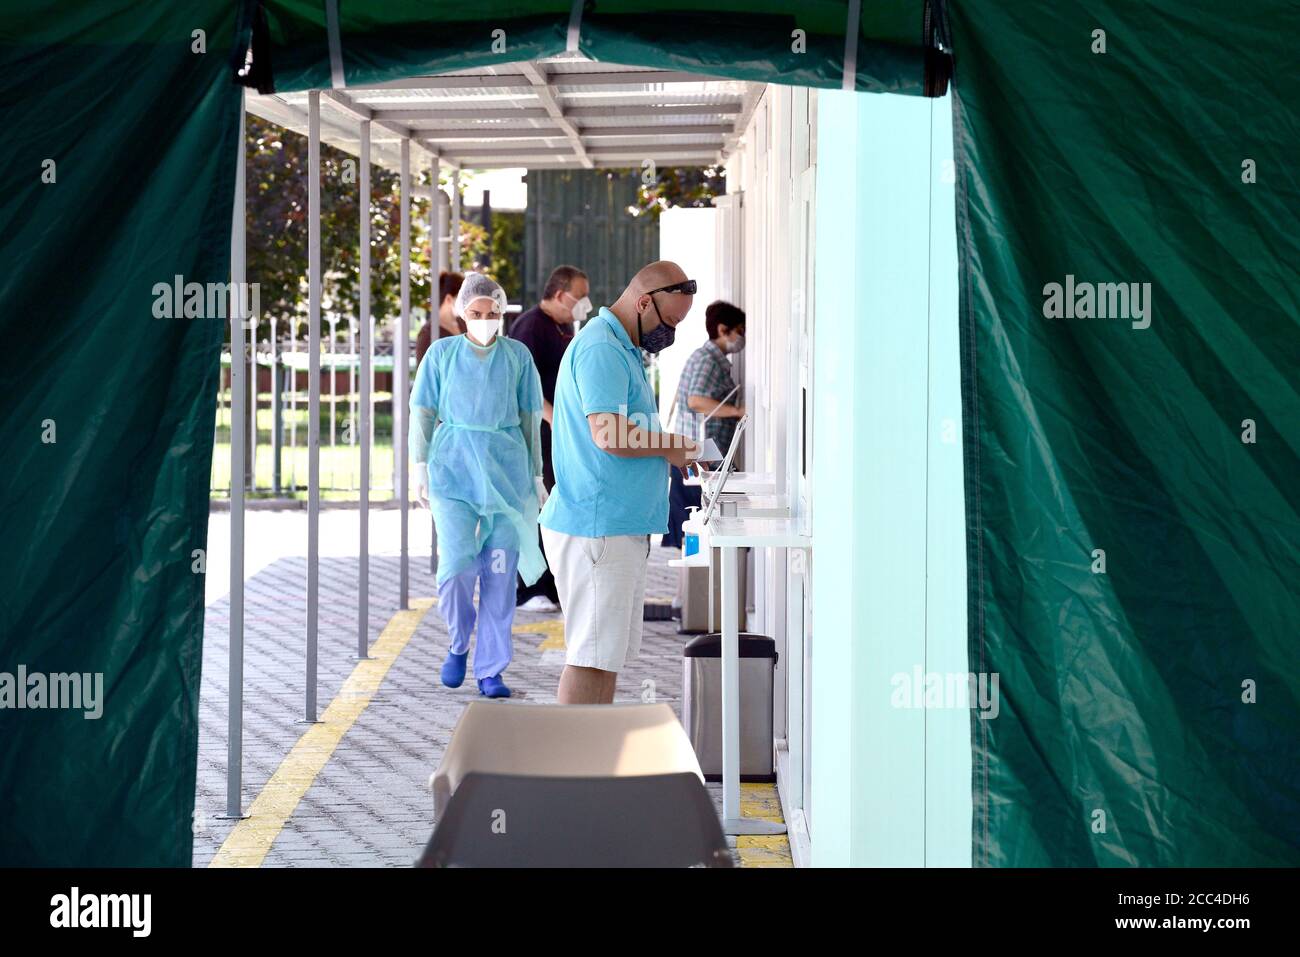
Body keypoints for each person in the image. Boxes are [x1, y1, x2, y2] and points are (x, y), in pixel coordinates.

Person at [540, 261, 701, 704]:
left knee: (604, 657)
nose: (669, 334)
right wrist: (669, 446)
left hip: (614, 527)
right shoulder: (602, 350)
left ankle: (590, 761)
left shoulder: (622, 348)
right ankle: (575, 768)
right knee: (590, 657)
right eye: (668, 322)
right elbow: (608, 434)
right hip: (597, 527)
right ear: (644, 301)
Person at [410, 273, 547, 699]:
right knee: (456, 570)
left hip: (508, 478)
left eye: (493, 313)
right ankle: (457, 642)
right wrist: (419, 465)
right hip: (452, 473)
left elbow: (528, 418)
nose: (486, 320)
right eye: (476, 313)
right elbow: (422, 411)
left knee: (500, 576)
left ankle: (491, 670)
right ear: (460, 312)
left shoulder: (518, 357)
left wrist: (538, 475)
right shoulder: (441, 355)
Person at [509, 264, 591, 612]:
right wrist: (557, 420)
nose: (585, 304)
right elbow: (524, 386)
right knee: (540, 504)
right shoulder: (530, 327)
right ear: (560, 295)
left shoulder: (563, 327)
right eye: (581, 296)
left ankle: (554, 584)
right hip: (539, 433)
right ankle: (531, 587)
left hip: (559, 433)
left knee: (557, 504)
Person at [663, 301, 746, 549]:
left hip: (699, 452)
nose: (743, 338)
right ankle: (698, 572)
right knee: (694, 524)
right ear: (723, 330)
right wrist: (737, 412)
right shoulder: (707, 360)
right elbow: (696, 400)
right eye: (740, 331)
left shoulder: (709, 358)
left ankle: (698, 567)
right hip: (699, 455)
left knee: (694, 521)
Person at [415, 270, 465, 366]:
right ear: (449, 299)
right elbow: (424, 376)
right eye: (463, 298)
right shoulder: (427, 334)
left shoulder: (463, 322)